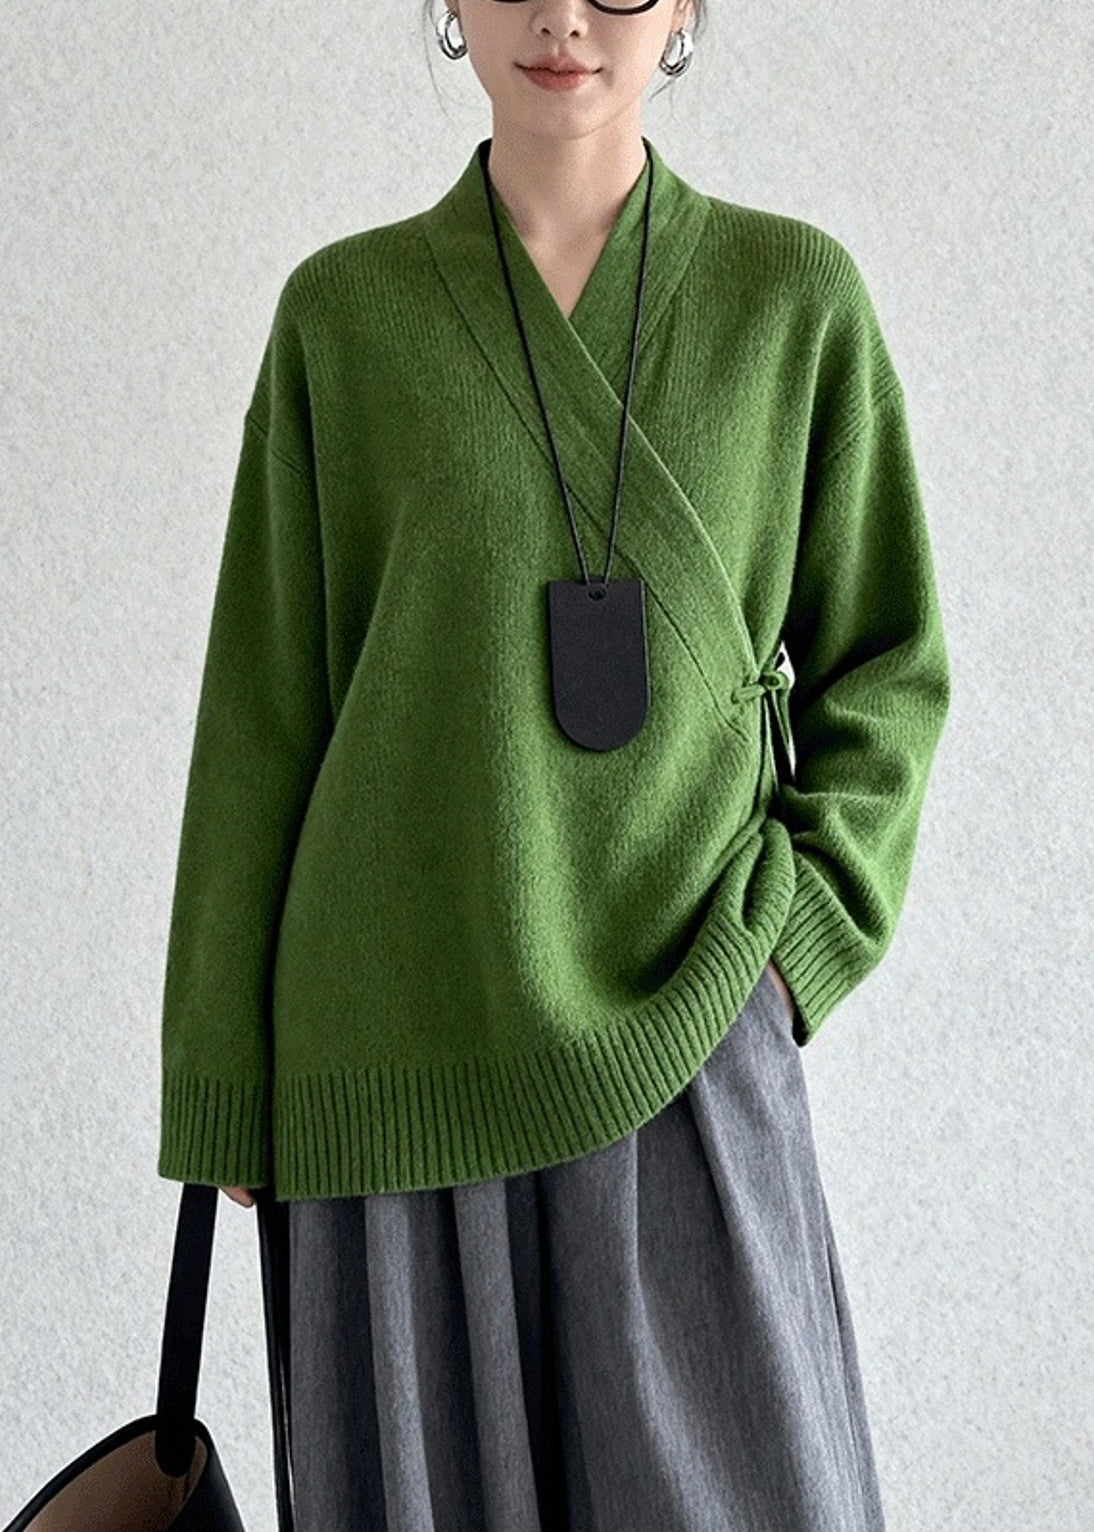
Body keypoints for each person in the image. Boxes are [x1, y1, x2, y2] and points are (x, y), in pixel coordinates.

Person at [158, 0, 951, 1526]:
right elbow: (263, 715)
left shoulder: (792, 303)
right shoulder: (342, 319)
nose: (563, 15)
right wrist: (221, 1075)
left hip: (690, 1016)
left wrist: (791, 948)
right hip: (385, 1056)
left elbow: (887, 664)